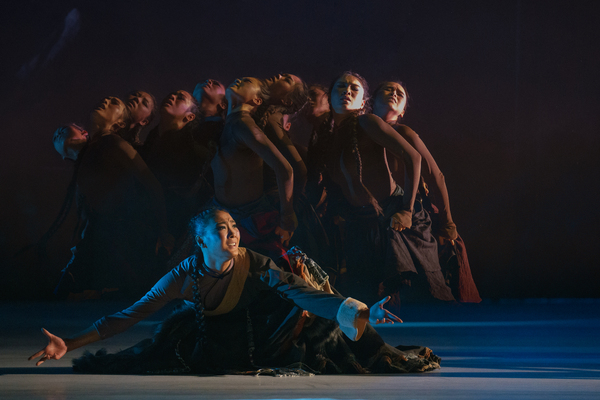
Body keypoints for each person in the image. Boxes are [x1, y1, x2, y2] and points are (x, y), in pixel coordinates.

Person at [29, 208, 441, 375]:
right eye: (220, 229)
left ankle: (377, 341)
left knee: (321, 322)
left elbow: (300, 292)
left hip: (262, 327)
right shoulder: (181, 277)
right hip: (217, 336)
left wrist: (358, 310)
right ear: (201, 241)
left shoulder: (254, 262)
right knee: (151, 355)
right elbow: (128, 316)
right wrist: (69, 343)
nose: (232, 233)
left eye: (234, 227)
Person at [307, 72, 455, 306]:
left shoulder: (367, 122)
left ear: (363, 102)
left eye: (354, 88)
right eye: (341, 87)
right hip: (360, 222)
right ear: (329, 96)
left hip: (394, 217)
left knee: (419, 298)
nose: (347, 91)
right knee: (366, 300)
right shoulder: (327, 138)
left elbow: (414, 158)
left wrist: (408, 211)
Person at [54, 96, 173, 299]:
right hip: (101, 236)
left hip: (119, 236)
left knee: (107, 296)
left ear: (119, 123)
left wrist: (164, 230)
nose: (106, 101)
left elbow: (152, 184)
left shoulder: (113, 142)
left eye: (114, 103)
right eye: (107, 100)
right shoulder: (91, 149)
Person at [372, 81, 480, 302]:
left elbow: (436, 176)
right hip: (378, 217)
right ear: (371, 101)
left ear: (403, 111)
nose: (394, 93)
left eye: (400, 93)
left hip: (409, 218)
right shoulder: (363, 134)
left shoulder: (403, 132)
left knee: (425, 288)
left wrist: (447, 223)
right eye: (388, 89)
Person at [211, 77, 297, 263]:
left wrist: (287, 217)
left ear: (257, 100)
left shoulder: (244, 123)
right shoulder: (231, 124)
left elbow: (285, 169)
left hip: (249, 219)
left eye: (247, 81)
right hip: (225, 213)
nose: (239, 79)